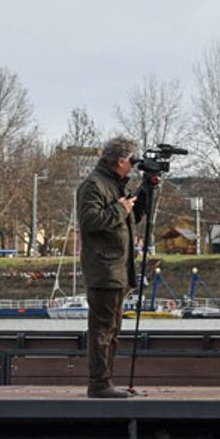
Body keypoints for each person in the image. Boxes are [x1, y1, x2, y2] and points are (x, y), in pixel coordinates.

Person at [77, 136, 143, 399]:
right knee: (103, 330)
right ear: (120, 161)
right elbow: (90, 221)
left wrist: (141, 196)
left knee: (112, 330)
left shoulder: (113, 185)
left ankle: (106, 382)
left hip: (116, 269)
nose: (132, 166)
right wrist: (120, 208)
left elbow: (130, 217)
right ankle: (99, 384)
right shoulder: (94, 185)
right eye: (131, 161)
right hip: (104, 270)